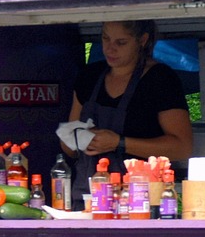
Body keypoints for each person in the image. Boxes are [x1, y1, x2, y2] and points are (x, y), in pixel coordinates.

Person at [64, 20, 192, 197]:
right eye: (105, 39)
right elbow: (68, 145)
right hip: (88, 196)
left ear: (142, 40)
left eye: (121, 42)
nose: (110, 48)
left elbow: (182, 148)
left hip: (141, 198)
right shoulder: (89, 76)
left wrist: (119, 142)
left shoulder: (161, 79)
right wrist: (80, 139)